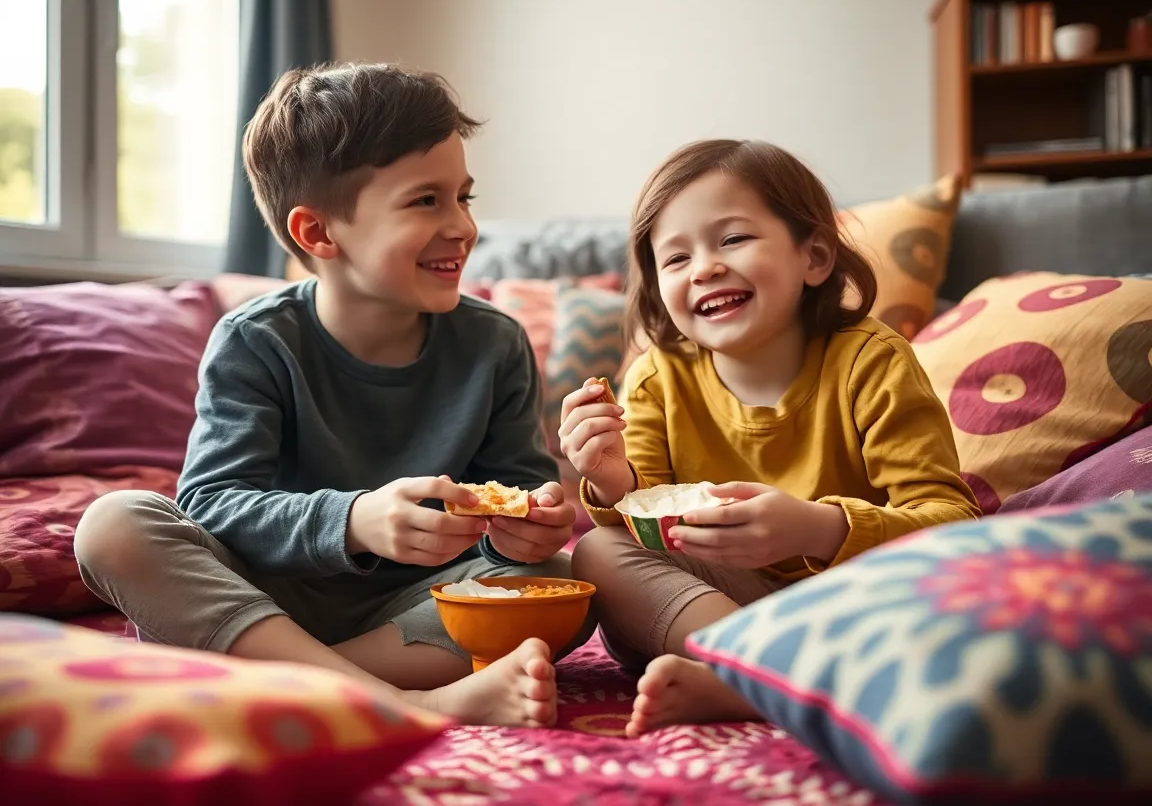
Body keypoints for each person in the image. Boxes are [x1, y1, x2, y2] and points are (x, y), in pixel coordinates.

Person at [74, 62, 589, 727]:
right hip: (268, 599)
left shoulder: (496, 345)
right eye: (425, 201)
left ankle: (280, 679)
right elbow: (211, 506)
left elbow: (518, 507)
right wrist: (355, 521)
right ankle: (403, 701)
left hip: (410, 608)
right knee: (113, 525)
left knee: (561, 573)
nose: (463, 226)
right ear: (318, 234)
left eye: (464, 196)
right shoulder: (257, 342)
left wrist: (518, 536)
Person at [559, 139, 979, 736]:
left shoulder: (872, 362)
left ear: (814, 258)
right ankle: (772, 675)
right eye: (675, 258)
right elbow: (644, 524)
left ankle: (753, 680)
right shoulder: (658, 376)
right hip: (710, 612)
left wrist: (816, 527)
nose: (704, 266)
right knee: (596, 552)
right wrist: (611, 477)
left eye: (732, 239)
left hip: (848, 602)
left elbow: (953, 523)